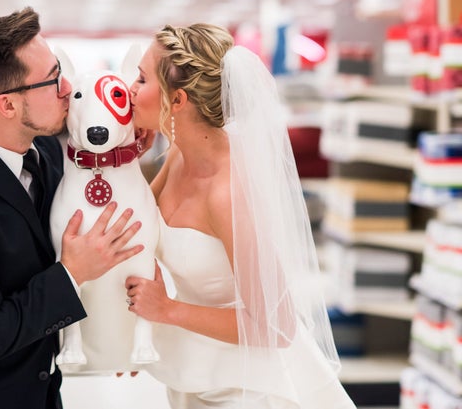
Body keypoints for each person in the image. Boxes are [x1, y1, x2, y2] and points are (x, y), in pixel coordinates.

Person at [0, 7, 144, 409]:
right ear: (7, 106)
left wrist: (112, 344)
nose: (66, 87)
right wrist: (72, 273)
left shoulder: (47, 150)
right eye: (52, 80)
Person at [125, 23, 356, 408]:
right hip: (196, 367)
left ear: (177, 100)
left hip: (250, 385)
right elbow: (137, 226)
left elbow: (276, 327)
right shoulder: (181, 154)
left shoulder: (228, 192)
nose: (130, 88)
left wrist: (166, 309)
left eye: (141, 78)